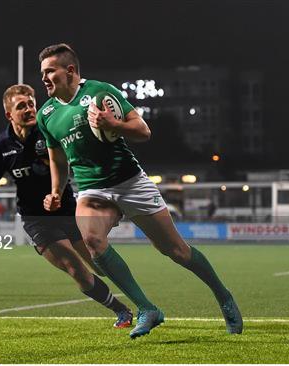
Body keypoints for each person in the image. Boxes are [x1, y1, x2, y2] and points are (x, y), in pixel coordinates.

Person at [37, 43, 242, 338]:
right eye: (42, 72)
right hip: (92, 190)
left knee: (176, 251)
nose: (44, 78)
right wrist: (57, 191)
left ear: (70, 71)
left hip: (130, 182)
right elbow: (57, 157)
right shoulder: (47, 114)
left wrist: (113, 124)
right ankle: (147, 308)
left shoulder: (99, 92)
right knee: (93, 242)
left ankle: (223, 296)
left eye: (50, 71)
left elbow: (143, 131)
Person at [0, 84, 133, 328]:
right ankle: (122, 311)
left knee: (101, 265)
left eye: (31, 103)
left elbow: (75, 158)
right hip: (36, 219)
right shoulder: (2, 146)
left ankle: (144, 303)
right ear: (8, 115)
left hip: (67, 209)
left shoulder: (47, 133)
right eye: (21, 106)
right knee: (75, 268)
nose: (29, 108)